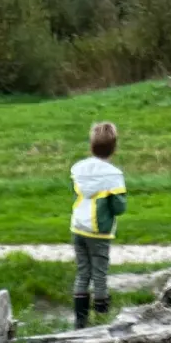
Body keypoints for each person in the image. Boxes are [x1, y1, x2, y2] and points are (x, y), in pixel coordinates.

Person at [69, 120, 126, 329]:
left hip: (78, 226)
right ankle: (102, 322)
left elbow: (76, 191)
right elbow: (119, 207)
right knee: (100, 274)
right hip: (99, 232)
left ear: (91, 145)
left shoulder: (79, 168)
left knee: (83, 272)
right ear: (114, 147)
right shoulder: (114, 174)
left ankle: (80, 322)